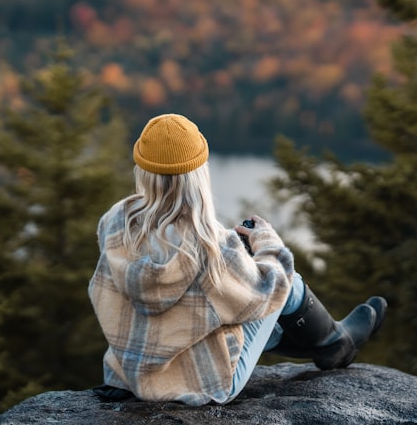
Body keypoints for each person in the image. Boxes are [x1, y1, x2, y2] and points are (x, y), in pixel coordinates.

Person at [88, 113, 386, 405]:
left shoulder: (116, 222)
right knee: (289, 283)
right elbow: (271, 290)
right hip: (199, 384)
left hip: (129, 375)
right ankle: (336, 342)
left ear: (142, 170)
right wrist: (266, 242)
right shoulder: (211, 244)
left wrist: (235, 257)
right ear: (198, 175)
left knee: (232, 297)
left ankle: (322, 343)